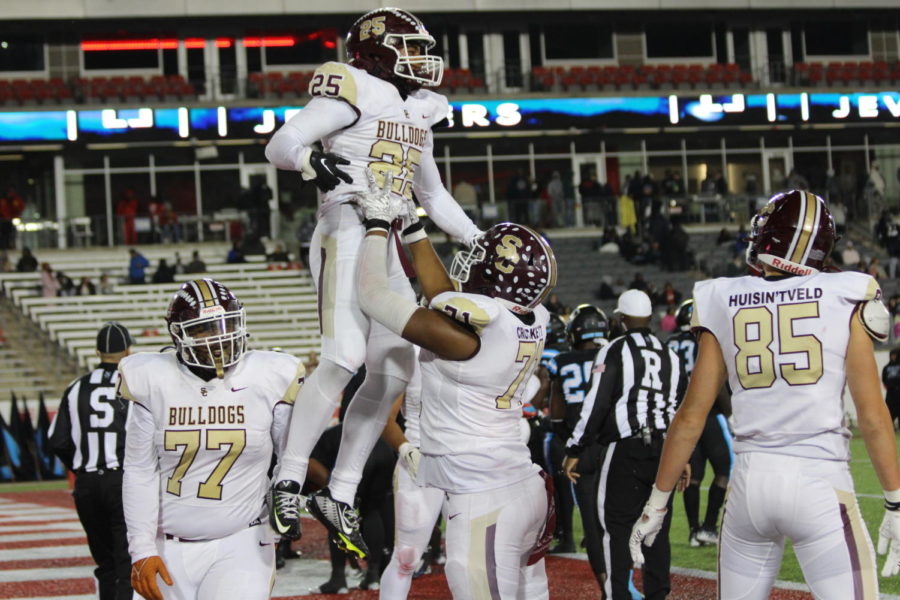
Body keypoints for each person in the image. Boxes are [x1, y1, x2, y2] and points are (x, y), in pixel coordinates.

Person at [264, 7, 481, 557]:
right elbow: (281, 143)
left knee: (394, 368)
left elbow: (432, 196)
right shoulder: (353, 85)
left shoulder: (419, 111)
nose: (423, 60)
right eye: (410, 48)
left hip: (391, 242)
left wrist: (478, 239)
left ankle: (339, 489)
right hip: (347, 227)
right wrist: (313, 161)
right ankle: (288, 478)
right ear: (376, 51)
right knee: (341, 357)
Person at [630, 190, 900, 600]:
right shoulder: (848, 291)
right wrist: (895, 502)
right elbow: (872, 416)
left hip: (750, 485)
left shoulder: (723, 295)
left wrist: (658, 501)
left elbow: (689, 417)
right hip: (819, 482)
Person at [354, 172, 555, 598]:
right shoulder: (533, 317)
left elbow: (372, 296)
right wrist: (411, 226)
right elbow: (445, 298)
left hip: (484, 496)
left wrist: (375, 224)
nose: (472, 261)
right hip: (521, 481)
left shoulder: (466, 338)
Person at [120, 278, 305, 600]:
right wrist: (141, 549)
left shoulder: (268, 375)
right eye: (204, 329)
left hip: (242, 541)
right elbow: (138, 470)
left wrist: (283, 498)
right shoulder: (152, 378)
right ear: (179, 334)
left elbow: (292, 457)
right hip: (168, 544)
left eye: (225, 324)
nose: (219, 337)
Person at [563, 288, 686, 600]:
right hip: (664, 450)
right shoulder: (670, 354)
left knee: (616, 530)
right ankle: (658, 595)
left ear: (620, 319)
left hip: (627, 448)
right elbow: (680, 409)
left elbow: (597, 402)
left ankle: (619, 595)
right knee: (655, 528)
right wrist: (682, 456)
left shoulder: (615, 349)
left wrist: (575, 448)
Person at [48, 322, 135, 600]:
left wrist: (84, 469)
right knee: (127, 560)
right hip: (123, 480)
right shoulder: (133, 386)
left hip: (87, 483)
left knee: (106, 563)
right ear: (129, 350)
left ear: (98, 352)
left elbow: (58, 440)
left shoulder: (76, 387)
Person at [548, 305, 609, 587]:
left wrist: (564, 433)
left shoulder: (561, 360)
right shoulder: (613, 355)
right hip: (611, 446)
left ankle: (606, 585)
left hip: (579, 449)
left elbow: (556, 411)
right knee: (618, 519)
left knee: (592, 524)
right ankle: (625, 583)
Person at [666, 299, 732, 547]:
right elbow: (715, 377)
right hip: (710, 413)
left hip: (681, 415)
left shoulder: (670, 342)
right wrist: (730, 412)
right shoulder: (706, 338)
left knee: (692, 474)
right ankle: (708, 526)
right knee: (725, 469)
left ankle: (694, 530)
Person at [379, 358, 446, 598]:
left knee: (475, 556)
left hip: (468, 460)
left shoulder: (477, 346)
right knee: (406, 557)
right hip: (420, 458)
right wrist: (406, 450)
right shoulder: (410, 354)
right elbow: (386, 419)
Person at [882, 348, 900, 430]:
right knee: (889, 412)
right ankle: (890, 428)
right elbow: (884, 378)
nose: (893, 357)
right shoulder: (886, 367)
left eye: (895, 355)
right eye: (892, 355)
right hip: (891, 393)